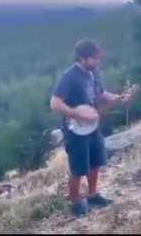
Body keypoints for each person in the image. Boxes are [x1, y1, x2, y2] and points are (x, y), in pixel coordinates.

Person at [50, 39, 133, 217]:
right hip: (75, 129)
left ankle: (93, 195)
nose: (97, 62)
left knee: (96, 161)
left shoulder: (94, 73)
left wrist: (119, 98)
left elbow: (101, 94)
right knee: (79, 168)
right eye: (94, 59)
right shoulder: (70, 76)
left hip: (93, 126)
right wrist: (77, 114)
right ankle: (75, 203)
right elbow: (55, 103)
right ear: (82, 58)